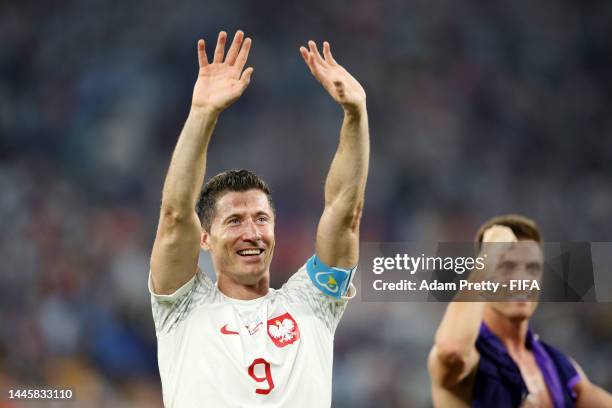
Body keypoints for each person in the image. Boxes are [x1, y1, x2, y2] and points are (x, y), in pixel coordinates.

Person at [148, 30, 369, 407]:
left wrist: (356, 114)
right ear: (205, 237)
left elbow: (344, 214)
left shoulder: (312, 302)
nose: (252, 233)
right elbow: (174, 216)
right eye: (234, 221)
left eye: (261, 219)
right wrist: (202, 114)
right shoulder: (181, 305)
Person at [428, 214, 612, 407]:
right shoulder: (473, 360)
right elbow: (452, 349)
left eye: (533, 269)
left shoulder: (561, 369)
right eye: (506, 267)